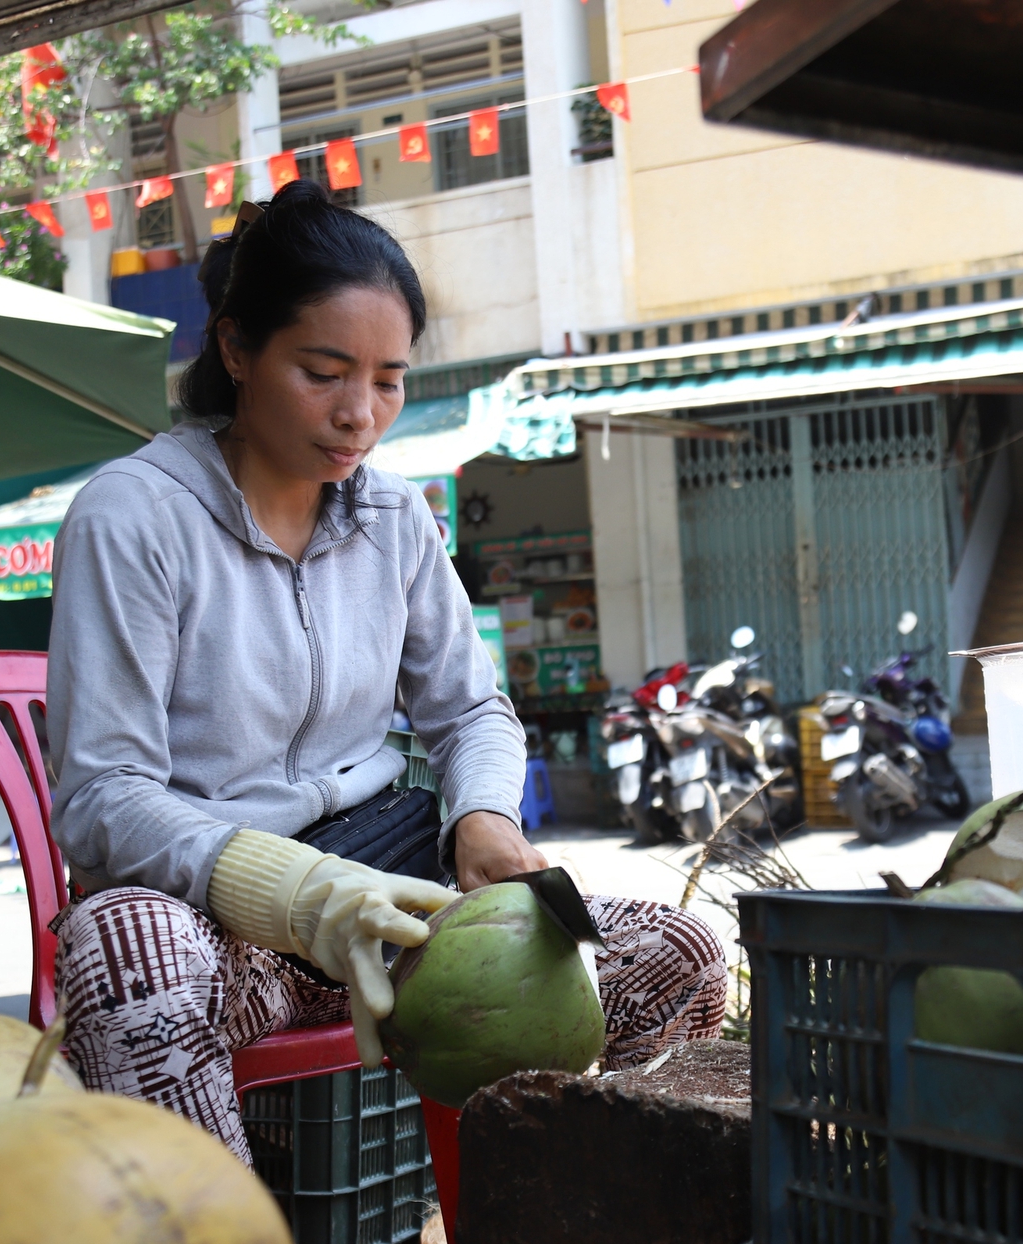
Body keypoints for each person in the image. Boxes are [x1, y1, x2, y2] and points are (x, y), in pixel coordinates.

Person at [47, 181, 726, 1163]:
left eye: (388, 379)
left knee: (677, 957)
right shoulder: (135, 515)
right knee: (123, 950)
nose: (358, 414)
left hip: (397, 905)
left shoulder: (394, 517)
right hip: (218, 927)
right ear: (236, 349)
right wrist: (299, 895)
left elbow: (470, 709)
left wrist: (483, 816)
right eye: (323, 372)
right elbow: (102, 794)